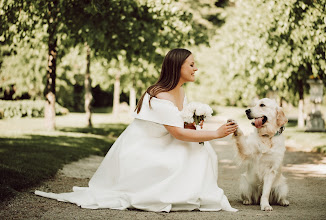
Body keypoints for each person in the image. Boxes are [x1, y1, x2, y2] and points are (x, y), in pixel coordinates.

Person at [35, 48, 238, 212]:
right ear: (177, 67)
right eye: (192, 64)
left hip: (162, 142)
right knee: (192, 150)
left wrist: (194, 123)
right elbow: (178, 134)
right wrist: (216, 133)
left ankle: (191, 192)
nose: (196, 68)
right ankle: (177, 193)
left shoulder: (181, 91)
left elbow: (180, 126)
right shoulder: (160, 96)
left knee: (201, 150)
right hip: (144, 149)